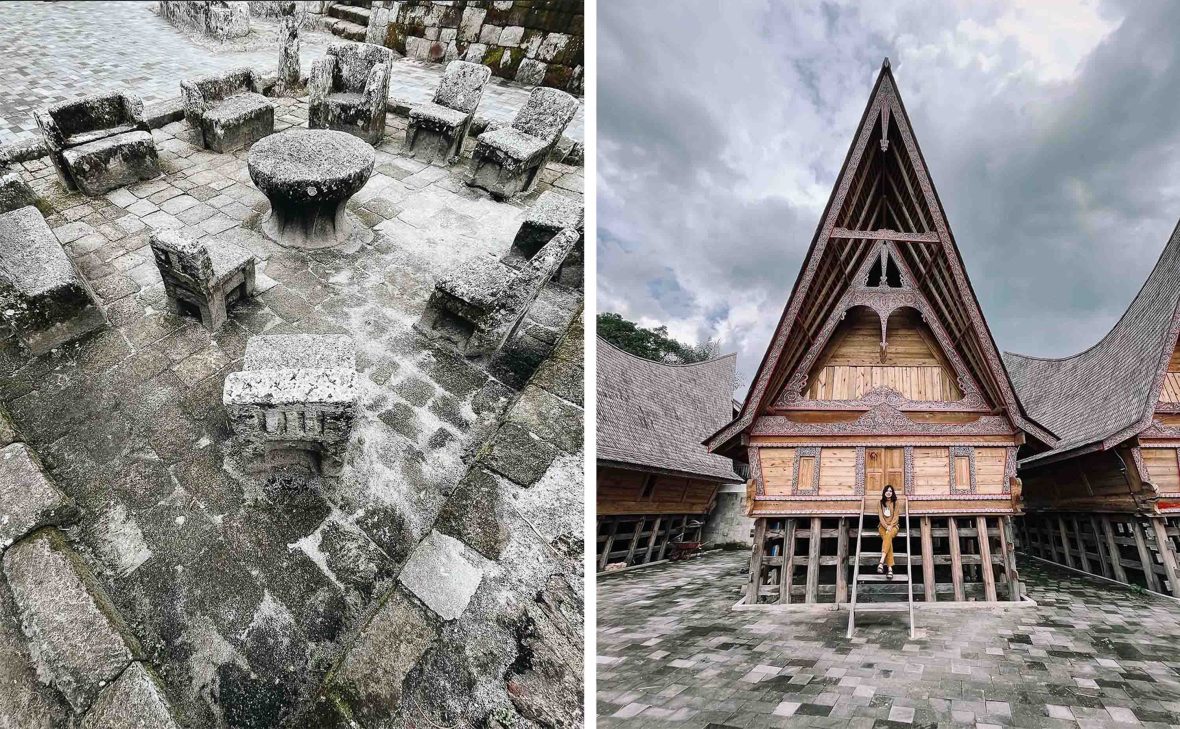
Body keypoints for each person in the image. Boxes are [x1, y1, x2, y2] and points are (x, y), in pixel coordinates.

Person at [878, 484, 901, 579]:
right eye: (887, 491)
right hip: (882, 527)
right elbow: (880, 517)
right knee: (888, 541)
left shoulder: (895, 502)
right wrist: (886, 526)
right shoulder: (880, 503)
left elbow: (896, 517)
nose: (889, 492)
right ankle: (890, 569)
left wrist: (890, 526)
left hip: (894, 526)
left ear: (893, 493)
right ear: (884, 492)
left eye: (890, 491)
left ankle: (881, 561)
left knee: (888, 537)